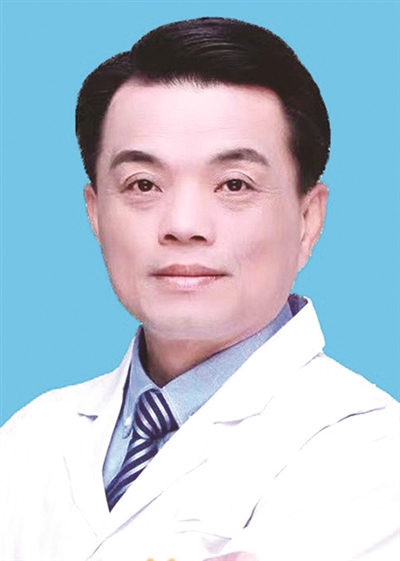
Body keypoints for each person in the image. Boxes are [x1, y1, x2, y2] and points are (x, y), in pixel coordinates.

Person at [0, 16, 399, 561]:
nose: (183, 225)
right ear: (95, 213)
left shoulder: (370, 452)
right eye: (143, 184)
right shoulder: (31, 436)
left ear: (308, 220)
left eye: (234, 184)